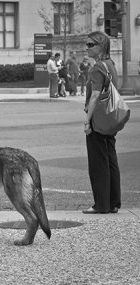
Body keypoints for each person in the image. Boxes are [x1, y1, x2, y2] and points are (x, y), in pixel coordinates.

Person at [82, 31, 121, 214]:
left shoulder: (97, 67)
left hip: (98, 120)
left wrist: (87, 121)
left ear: (101, 46)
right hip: (110, 118)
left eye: (91, 45)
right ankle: (113, 202)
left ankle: (101, 204)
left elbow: (95, 95)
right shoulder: (110, 65)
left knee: (98, 164)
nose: (87, 47)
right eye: (87, 44)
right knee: (110, 159)